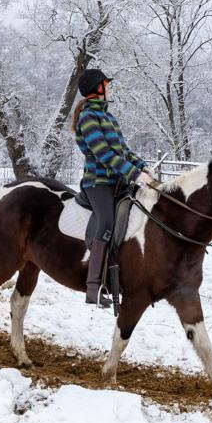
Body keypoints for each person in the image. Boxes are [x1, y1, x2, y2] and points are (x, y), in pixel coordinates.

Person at [72, 68, 155, 308]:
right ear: (97, 88)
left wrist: (143, 167)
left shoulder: (109, 117)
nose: (109, 88)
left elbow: (123, 151)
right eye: (106, 85)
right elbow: (104, 154)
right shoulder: (88, 117)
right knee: (107, 223)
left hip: (118, 181)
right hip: (97, 183)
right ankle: (93, 288)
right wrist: (134, 174)